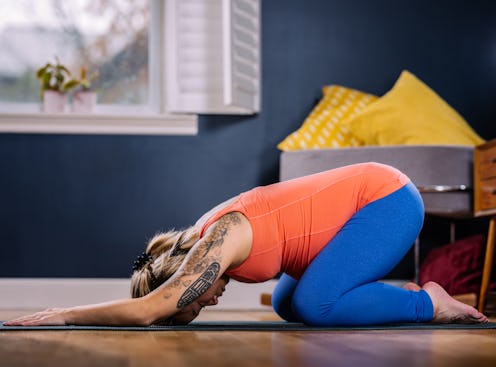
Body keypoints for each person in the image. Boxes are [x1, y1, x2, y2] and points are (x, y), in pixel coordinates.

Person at [4, 163, 488, 327]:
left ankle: (430, 302)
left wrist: (66, 313)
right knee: (288, 304)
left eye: (193, 302)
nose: (208, 300)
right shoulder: (203, 237)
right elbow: (161, 303)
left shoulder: (220, 238)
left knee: (317, 306)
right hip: (358, 214)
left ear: (181, 274)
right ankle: (398, 298)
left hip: (388, 200)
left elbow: (151, 308)